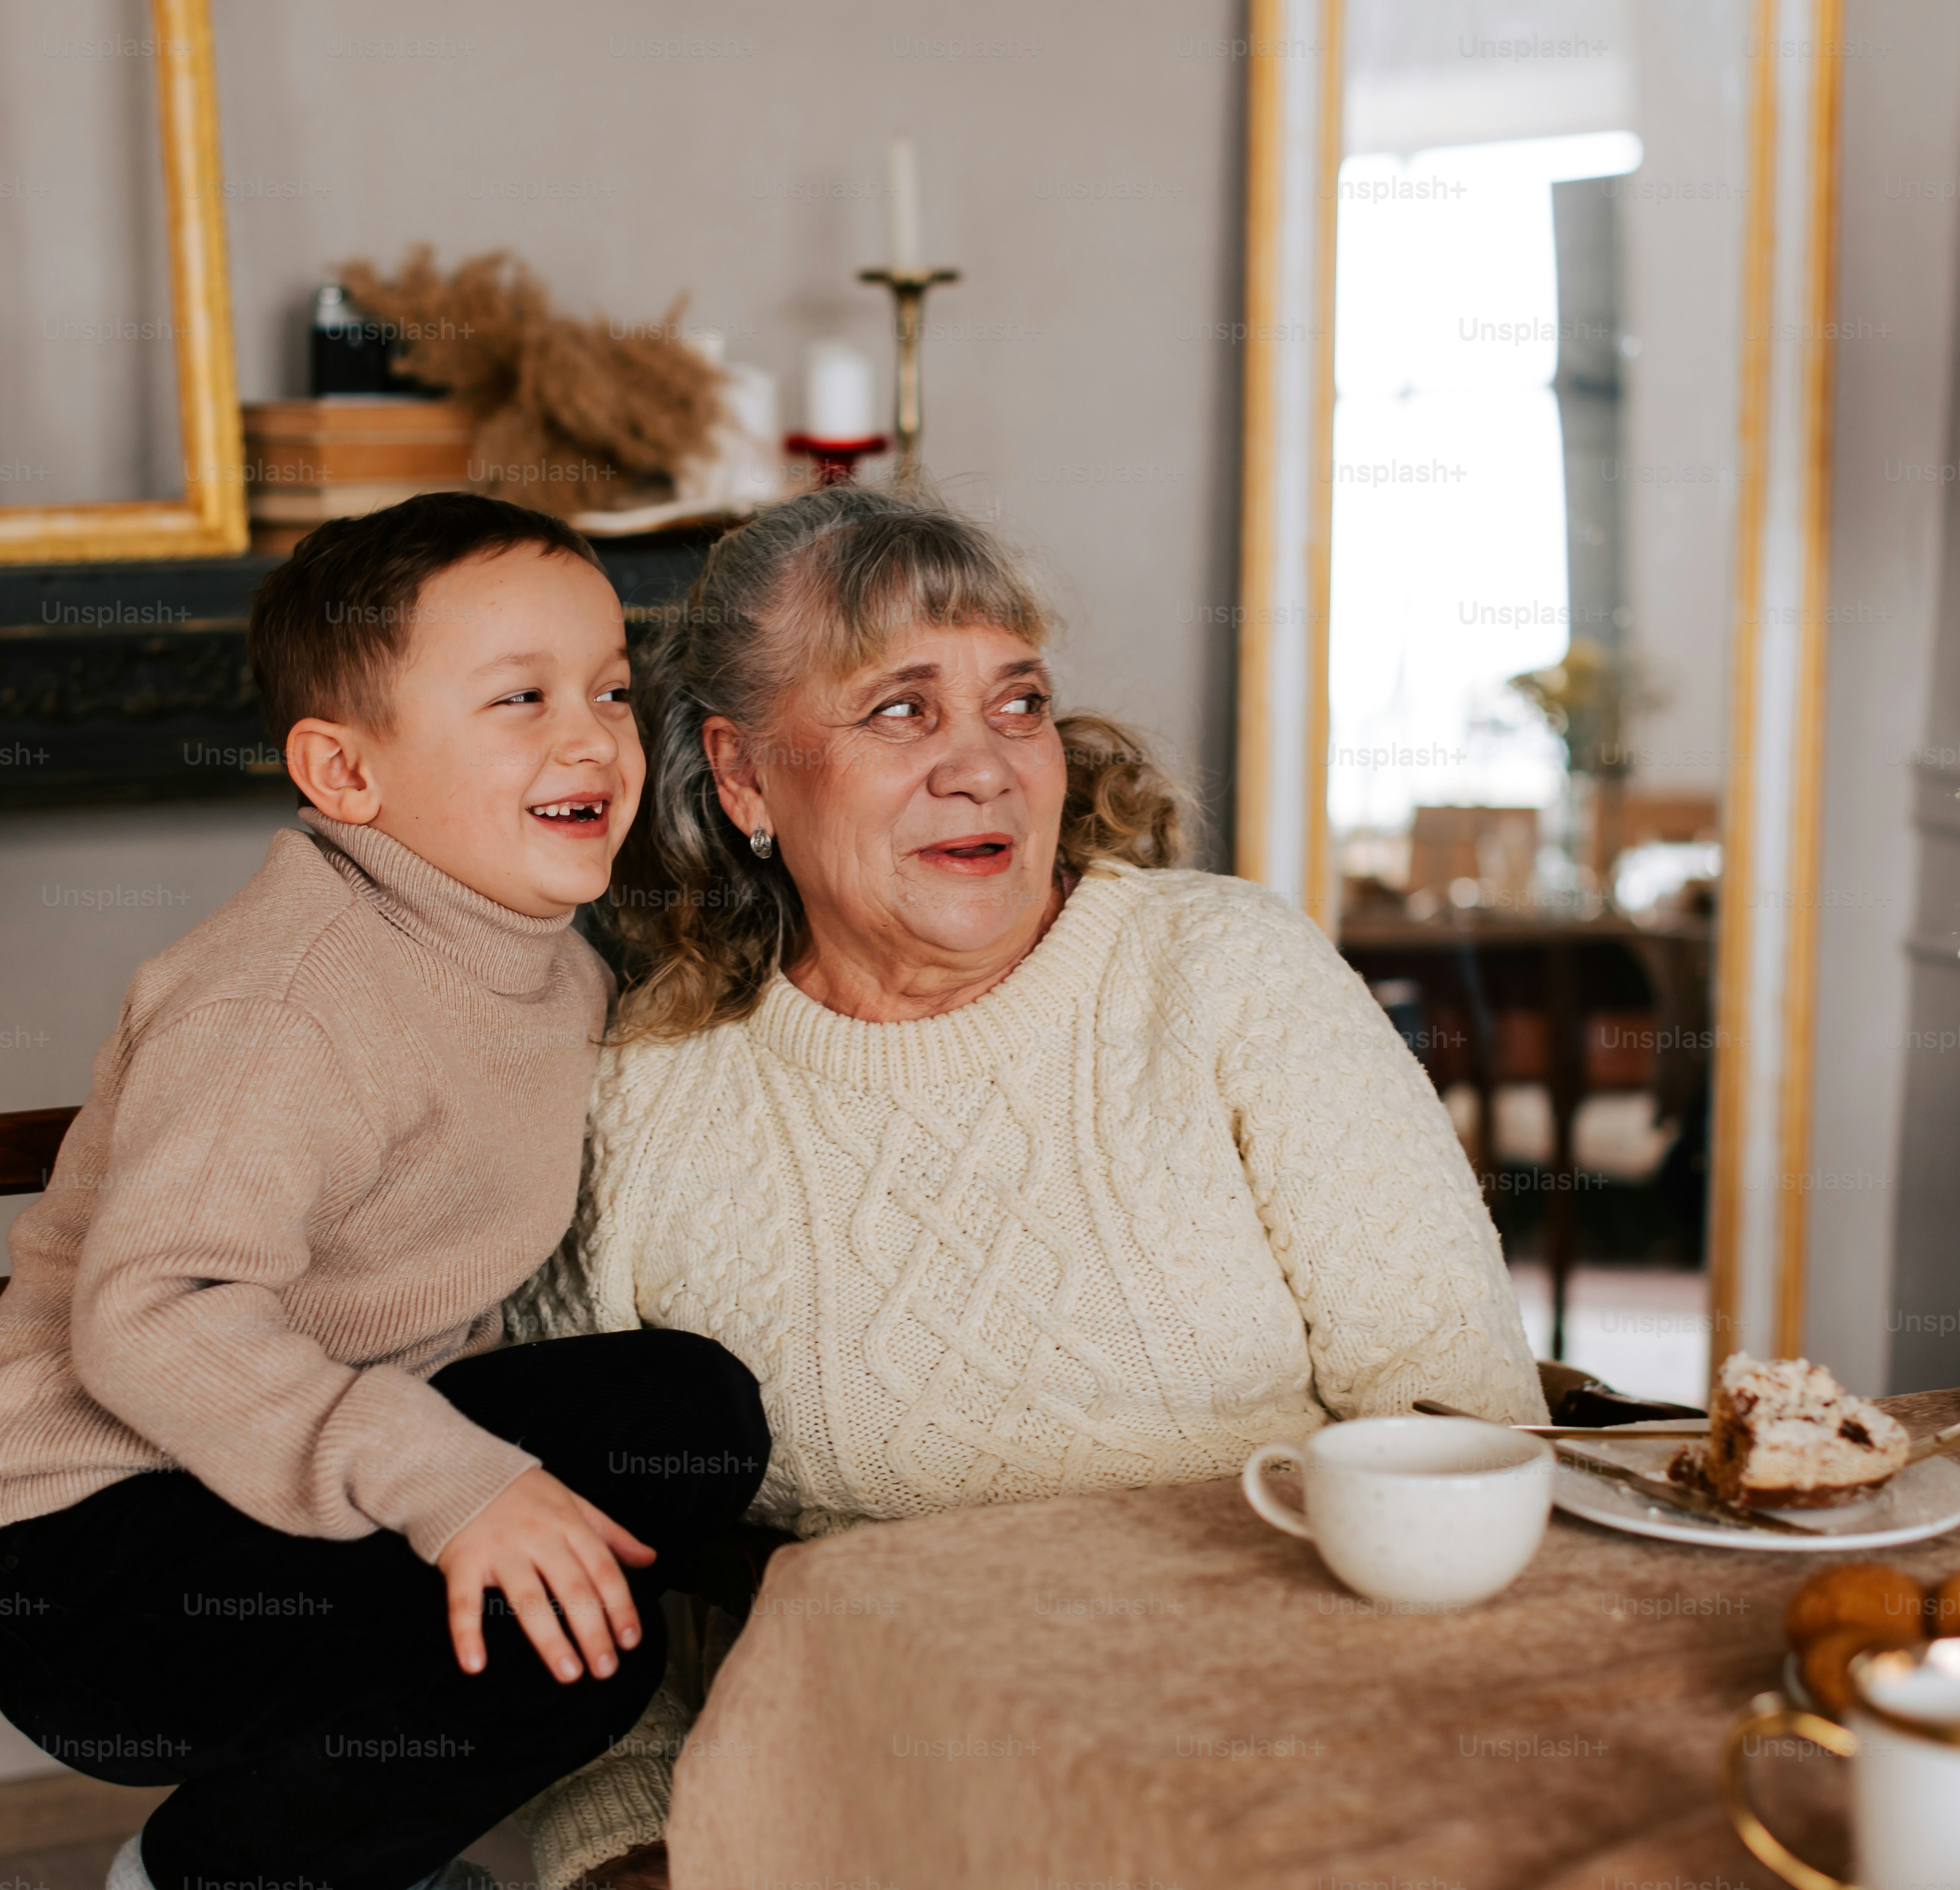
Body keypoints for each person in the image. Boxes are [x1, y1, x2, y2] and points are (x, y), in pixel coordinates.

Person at [519, 487, 1544, 1885]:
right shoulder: (646, 1094)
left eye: (1017, 703)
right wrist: (623, 1848)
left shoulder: (1227, 972)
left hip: (1321, 1768)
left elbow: (1463, 1423)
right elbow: (558, 1557)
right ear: (744, 775)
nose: (985, 767)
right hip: (889, 1805)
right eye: (899, 711)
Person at [0, 494, 769, 1890]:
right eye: (518, 698)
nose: (591, 733)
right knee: (593, 1540)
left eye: (612, 685)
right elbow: (151, 1315)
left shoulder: (548, 959)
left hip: (289, 1500)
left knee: (632, 1529)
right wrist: (452, 1480)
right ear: (345, 773)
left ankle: (264, 1866)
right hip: (101, 1570)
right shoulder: (289, 993)